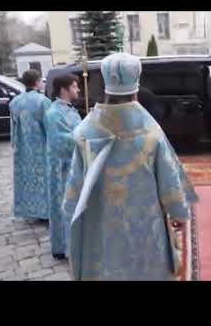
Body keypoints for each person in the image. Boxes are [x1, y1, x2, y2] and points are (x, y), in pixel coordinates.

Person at [61, 53, 198, 280]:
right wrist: (179, 212)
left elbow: (73, 192)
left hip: (101, 227)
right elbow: (169, 181)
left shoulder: (85, 132)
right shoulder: (151, 131)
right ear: (135, 90)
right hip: (145, 226)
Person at [45, 74, 82, 259]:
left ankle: (75, 243)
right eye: (75, 87)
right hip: (62, 169)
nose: (78, 90)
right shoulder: (53, 113)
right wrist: (84, 137)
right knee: (64, 206)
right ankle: (62, 247)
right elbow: (59, 141)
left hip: (73, 165)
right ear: (63, 90)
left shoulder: (69, 110)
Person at [9, 69, 52, 220]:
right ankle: (46, 211)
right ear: (37, 82)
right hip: (41, 146)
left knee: (27, 177)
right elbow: (50, 126)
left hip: (23, 147)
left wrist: (15, 144)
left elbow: (13, 127)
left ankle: (29, 210)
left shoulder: (15, 102)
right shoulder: (43, 101)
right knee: (43, 178)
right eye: (41, 80)